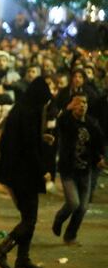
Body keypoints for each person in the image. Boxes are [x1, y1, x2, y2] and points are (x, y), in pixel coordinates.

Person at [0, 77, 54, 268]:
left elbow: (23, 140)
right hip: (23, 174)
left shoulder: (21, 109)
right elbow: (28, 147)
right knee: (30, 219)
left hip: (15, 171)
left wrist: (40, 138)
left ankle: (23, 258)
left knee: (28, 216)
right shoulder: (29, 113)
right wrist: (43, 169)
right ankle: (2, 250)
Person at [52, 94, 106, 244]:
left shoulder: (92, 124)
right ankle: (59, 218)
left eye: (85, 103)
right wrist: (66, 109)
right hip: (68, 170)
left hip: (85, 171)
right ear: (72, 106)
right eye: (78, 103)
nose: (82, 105)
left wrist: (100, 158)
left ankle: (70, 236)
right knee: (73, 203)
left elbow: (99, 144)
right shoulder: (67, 121)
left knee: (82, 207)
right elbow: (59, 120)